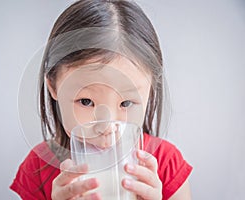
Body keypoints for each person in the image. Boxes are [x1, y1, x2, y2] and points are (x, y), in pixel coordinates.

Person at [10, 0, 193, 199]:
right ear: (53, 87)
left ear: (149, 93)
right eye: (86, 102)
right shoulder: (37, 169)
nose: (106, 127)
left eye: (126, 103)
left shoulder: (166, 165)